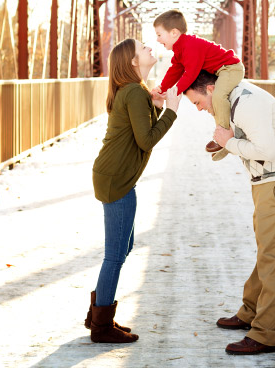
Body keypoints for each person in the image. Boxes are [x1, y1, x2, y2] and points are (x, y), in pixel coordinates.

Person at [184, 70, 275, 355]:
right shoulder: (234, 100)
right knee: (269, 252)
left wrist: (229, 142)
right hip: (270, 184)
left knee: (274, 258)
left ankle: (264, 334)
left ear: (211, 88)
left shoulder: (247, 103)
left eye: (198, 102)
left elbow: (265, 149)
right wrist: (226, 140)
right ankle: (250, 312)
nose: (201, 109)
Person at [85, 38, 182, 344]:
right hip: (117, 179)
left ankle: (97, 314)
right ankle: (101, 326)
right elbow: (146, 140)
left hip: (114, 176)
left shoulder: (134, 91)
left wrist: (153, 105)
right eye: (143, 47)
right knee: (114, 255)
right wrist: (171, 110)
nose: (150, 47)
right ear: (132, 61)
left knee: (121, 250)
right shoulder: (134, 92)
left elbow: (137, 130)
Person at [150, 9, 244, 162]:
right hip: (221, 71)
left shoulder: (190, 46)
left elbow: (191, 73)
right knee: (214, 101)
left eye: (159, 35)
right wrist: (162, 88)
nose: (158, 39)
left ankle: (225, 134)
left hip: (230, 68)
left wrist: (175, 91)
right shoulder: (180, 49)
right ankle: (222, 139)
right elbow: (175, 70)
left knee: (218, 97)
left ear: (174, 32)